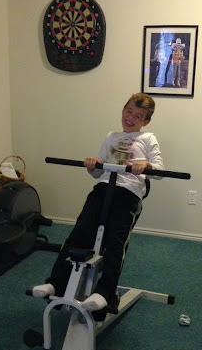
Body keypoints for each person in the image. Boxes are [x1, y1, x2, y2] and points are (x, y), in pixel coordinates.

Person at [33, 92, 164, 315]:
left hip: (128, 193)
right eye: (129, 111)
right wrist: (93, 164)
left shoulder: (148, 138)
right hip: (102, 189)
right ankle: (55, 282)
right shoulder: (111, 137)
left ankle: (104, 292)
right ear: (123, 110)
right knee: (79, 234)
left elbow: (159, 171)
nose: (131, 118)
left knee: (115, 243)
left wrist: (146, 165)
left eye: (138, 116)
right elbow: (98, 171)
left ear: (146, 122)